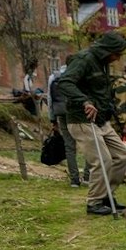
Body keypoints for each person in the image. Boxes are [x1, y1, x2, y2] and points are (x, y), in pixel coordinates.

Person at [52, 32, 126, 215]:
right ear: (107, 51)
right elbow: (64, 83)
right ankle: (94, 202)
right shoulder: (84, 59)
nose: (118, 58)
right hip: (82, 119)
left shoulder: (102, 63)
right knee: (102, 160)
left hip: (101, 120)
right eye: (117, 53)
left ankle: (106, 196)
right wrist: (84, 101)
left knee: (122, 156)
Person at [45, 59, 83, 187]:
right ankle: (88, 176)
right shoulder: (78, 73)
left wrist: (52, 119)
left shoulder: (53, 77)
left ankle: (74, 180)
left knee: (69, 146)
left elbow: (49, 99)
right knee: (88, 144)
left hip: (61, 112)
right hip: (78, 113)